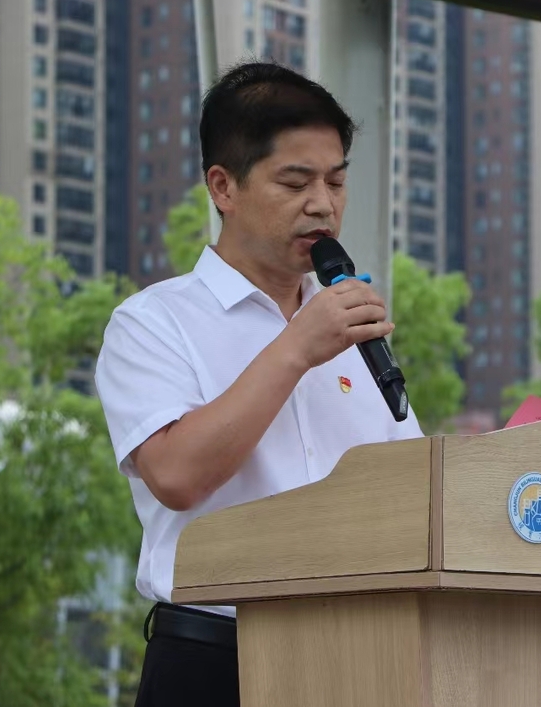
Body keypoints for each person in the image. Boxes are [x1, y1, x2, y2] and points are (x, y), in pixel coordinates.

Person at [94, 60, 424, 707]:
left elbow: (412, 491)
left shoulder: (350, 327)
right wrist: (297, 347)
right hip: (215, 660)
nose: (323, 204)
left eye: (336, 181)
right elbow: (177, 474)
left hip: (358, 657)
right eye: (295, 182)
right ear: (223, 186)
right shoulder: (152, 322)